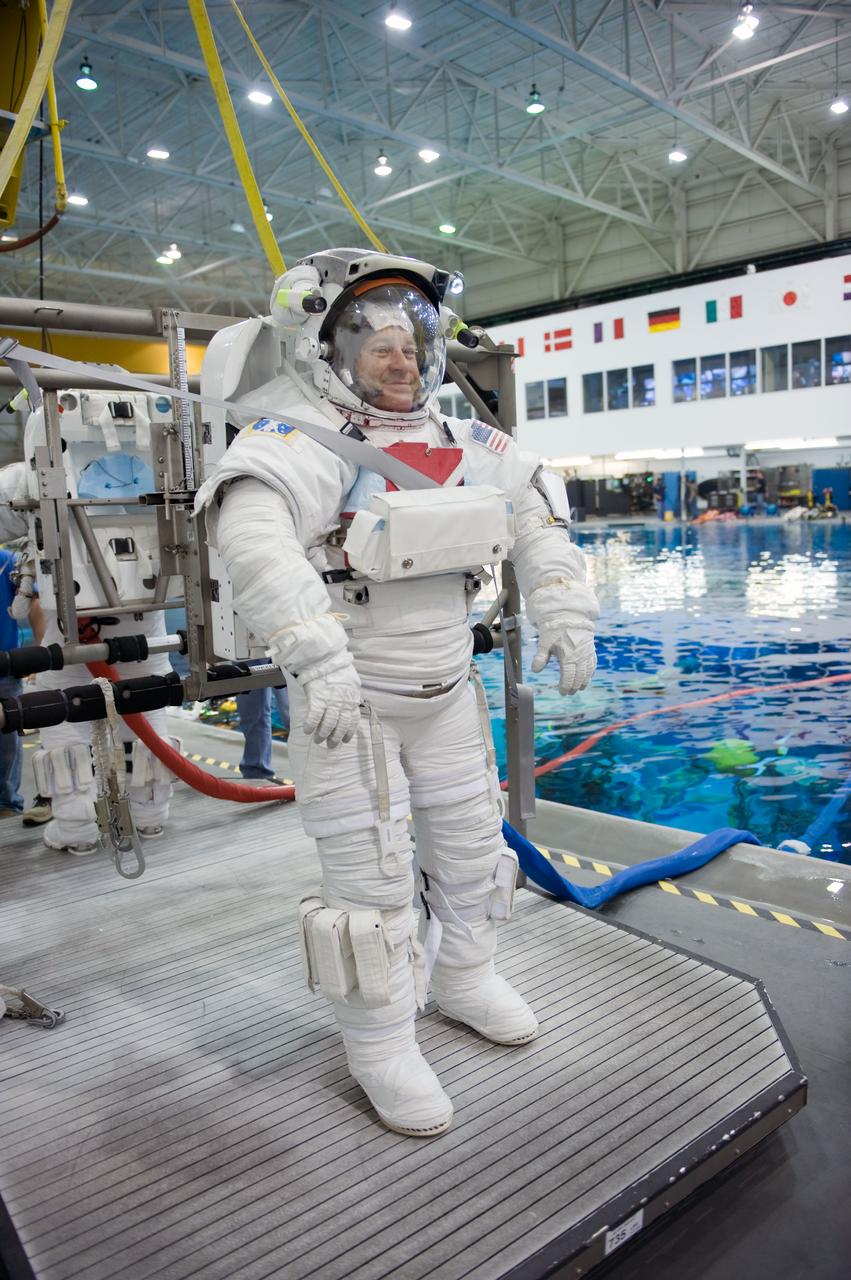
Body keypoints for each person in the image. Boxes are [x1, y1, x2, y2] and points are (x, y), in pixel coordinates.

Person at [195, 248, 599, 1137]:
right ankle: (378, 1044)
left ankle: (462, 978)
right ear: (322, 346)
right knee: (372, 887)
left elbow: (535, 513)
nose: (397, 355)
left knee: (465, 851)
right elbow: (253, 536)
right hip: (353, 701)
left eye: (410, 337)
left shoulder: (464, 442)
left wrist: (565, 608)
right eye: (372, 337)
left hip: (448, 690)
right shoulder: (296, 441)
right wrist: (313, 649)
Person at [237, 678, 290, 783]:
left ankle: (316, 771)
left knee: (296, 716)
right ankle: (256, 773)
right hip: (249, 662)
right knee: (253, 714)